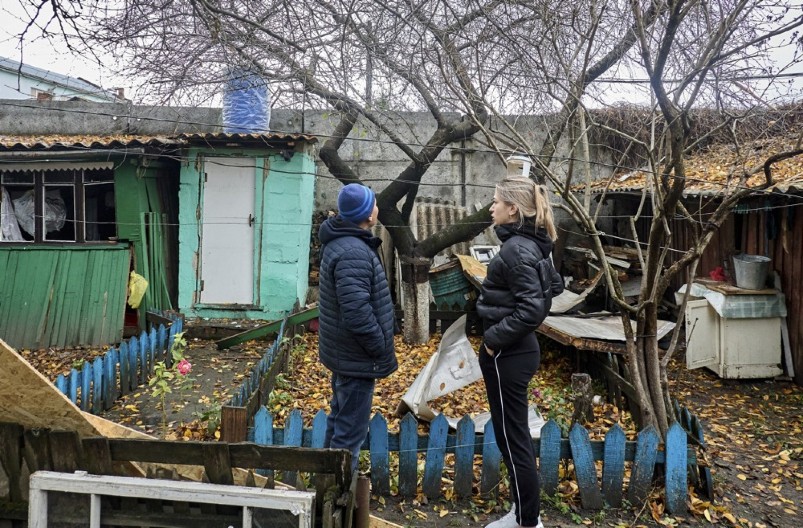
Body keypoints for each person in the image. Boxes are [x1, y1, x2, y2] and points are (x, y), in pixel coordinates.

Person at [477, 176, 564, 528]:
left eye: (496, 201)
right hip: (516, 351)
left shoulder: (516, 250)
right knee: (512, 436)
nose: (491, 206)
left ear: (512, 209)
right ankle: (522, 514)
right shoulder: (532, 244)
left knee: (513, 441)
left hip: (508, 354)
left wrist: (494, 339)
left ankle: (527, 522)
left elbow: (531, 310)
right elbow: (553, 287)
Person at [317, 183, 397, 474]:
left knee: (339, 424)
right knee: (348, 437)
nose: (377, 207)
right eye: (374, 203)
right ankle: (336, 502)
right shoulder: (354, 253)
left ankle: (324, 482)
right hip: (356, 358)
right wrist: (380, 346)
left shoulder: (343, 242)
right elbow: (358, 314)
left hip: (346, 355)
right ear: (368, 215)